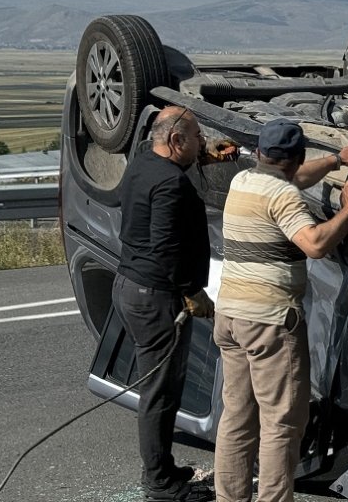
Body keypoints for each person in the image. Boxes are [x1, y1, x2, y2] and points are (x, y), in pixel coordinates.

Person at [212, 119, 348, 502]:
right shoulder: (283, 197)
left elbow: (292, 179)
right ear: (296, 156)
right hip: (269, 323)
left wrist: (334, 161)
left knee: (236, 418)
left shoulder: (244, 183)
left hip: (230, 317)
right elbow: (314, 244)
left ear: (261, 154)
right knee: (281, 423)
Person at [113, 106, 236, 502]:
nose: (203, 142)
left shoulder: (142, 164)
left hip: (131, 285)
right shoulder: (172, 185)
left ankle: (162, 469)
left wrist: (203, 155)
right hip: (156, 296)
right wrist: (192, 292)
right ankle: (160, 485)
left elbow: (170, 160)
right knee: (160, 393)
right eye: (198, 137)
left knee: (159, 389)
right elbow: (167, 248)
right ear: (176, 140)